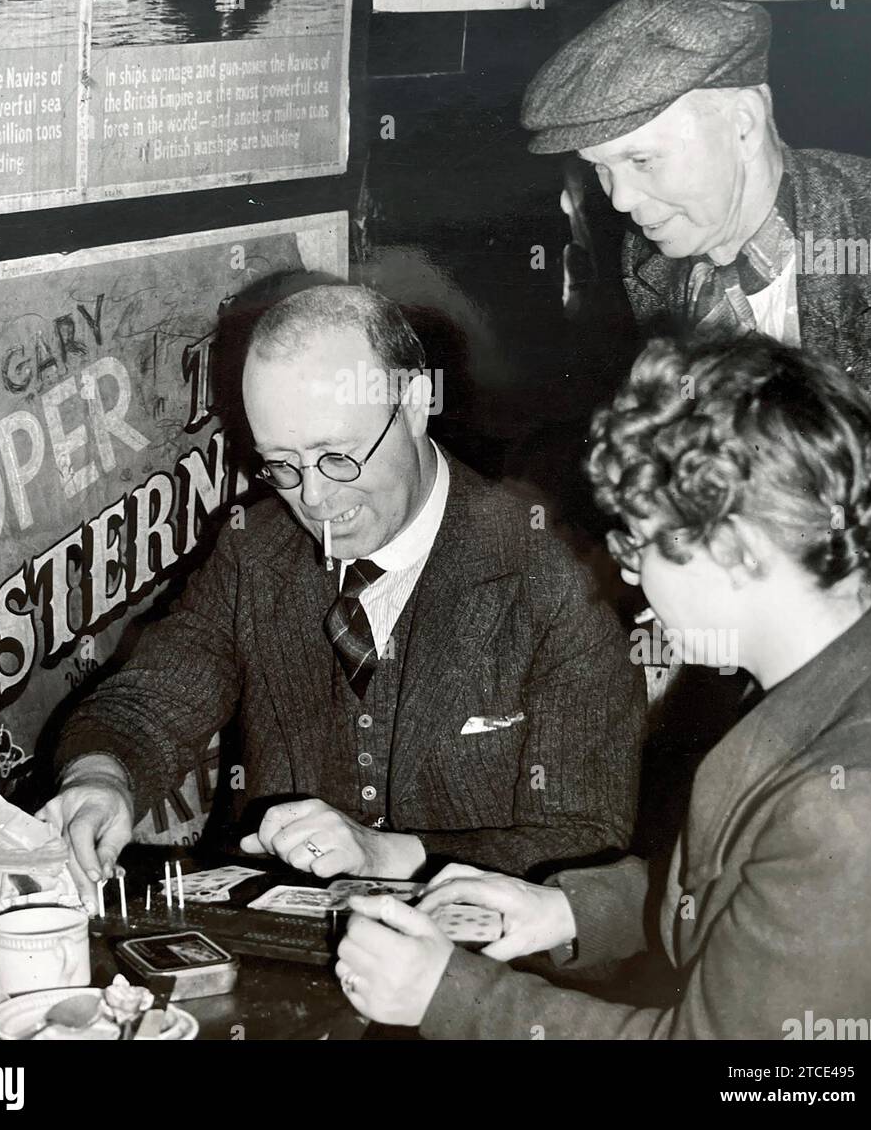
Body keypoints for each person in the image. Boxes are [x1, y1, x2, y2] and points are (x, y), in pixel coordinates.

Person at [334, 334, 871, 1039]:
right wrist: (568, 911)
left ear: (733, 552)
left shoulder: (853, 805)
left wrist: (449, 995)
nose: (630, 577)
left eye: (638, 545)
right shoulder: (857, 647)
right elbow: (757, 882)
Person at [42, 285, 644, 905]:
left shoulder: (558, 580)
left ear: (413, 403)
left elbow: (587, 841)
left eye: (338, 457)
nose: (315, 500)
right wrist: (100, 780)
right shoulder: (256, 554)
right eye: (282, 465)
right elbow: (146, 705)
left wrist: (395, 855)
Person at [521, 0, 871, 430]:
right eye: (601, 168)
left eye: (641, 160)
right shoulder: (649, 261)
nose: (620, 198)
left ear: (744, 125)